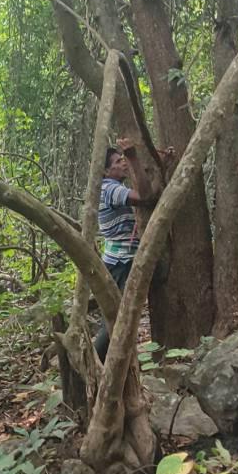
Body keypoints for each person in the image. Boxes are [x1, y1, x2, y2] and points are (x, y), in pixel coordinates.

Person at [93, 143, 152, 360]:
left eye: (123, 159)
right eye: (119, 161)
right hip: (121, 262)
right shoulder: (110, 189)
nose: (123, 163)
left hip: (121, 260)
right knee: (117, 320)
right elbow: (145, 197)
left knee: (118, 318)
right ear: (106, 171)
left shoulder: (111, 187)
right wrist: (134, 159)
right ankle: (94, 363)